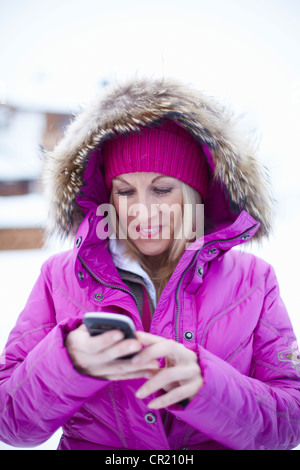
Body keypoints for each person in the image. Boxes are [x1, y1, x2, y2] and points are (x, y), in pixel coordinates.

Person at [0, 76, 299, 451]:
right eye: (125, 191)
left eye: (162, 189)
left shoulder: (254, 281)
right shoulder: (60, 278)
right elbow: (11, 423)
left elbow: (290, 422)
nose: (142, 211)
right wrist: (67, 361)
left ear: (194, 194)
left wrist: (210, 388)